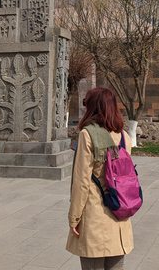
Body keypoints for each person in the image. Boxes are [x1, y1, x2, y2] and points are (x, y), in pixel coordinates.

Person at [66, 88, 134, 270]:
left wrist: (74, 218)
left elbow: (81, 182)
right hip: (119, 212)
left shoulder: (87, 135)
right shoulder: (124, 137)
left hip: (95, 217)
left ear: (92, 107)